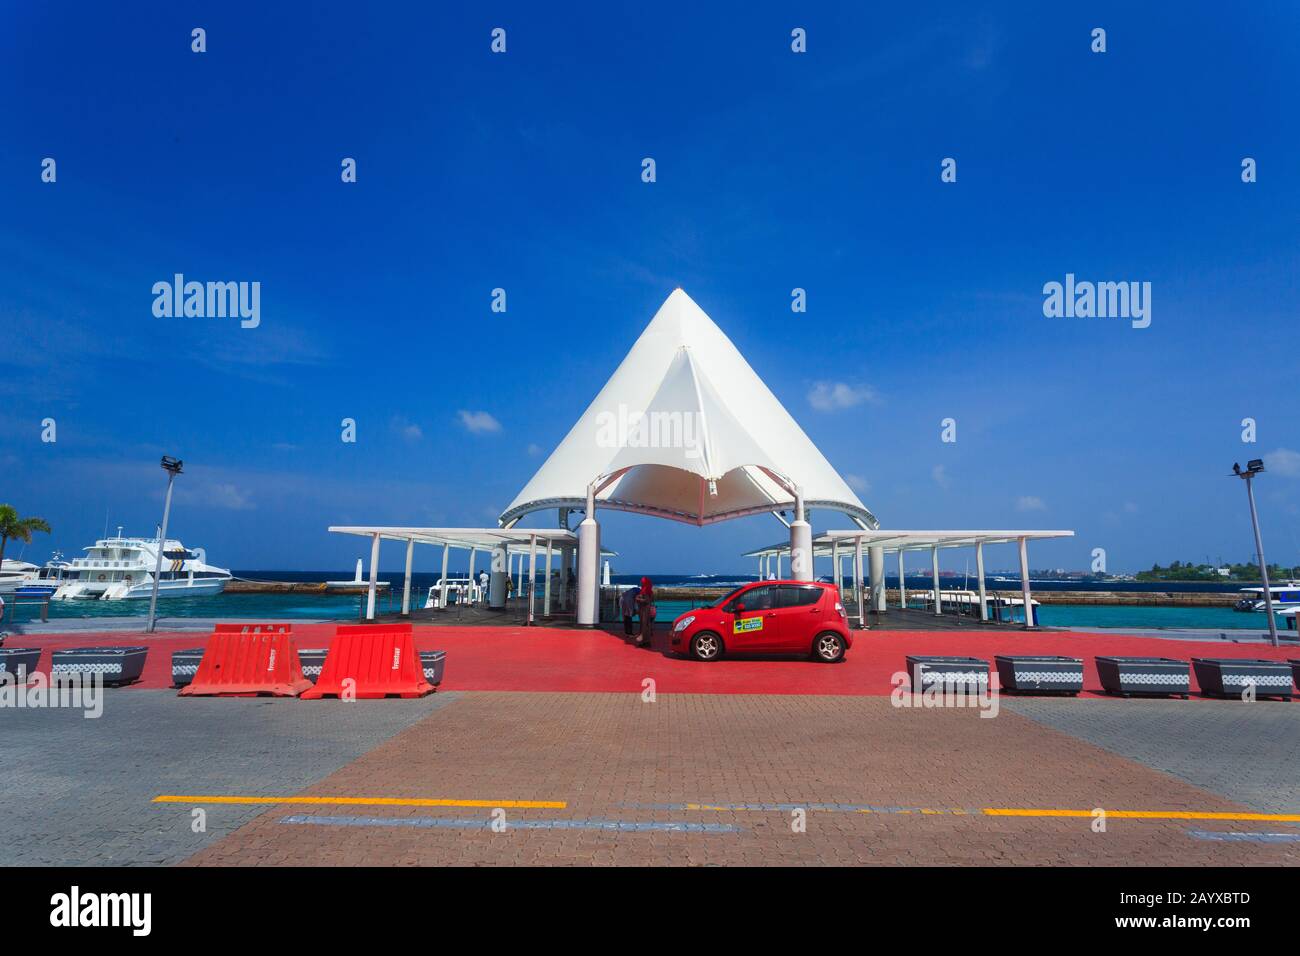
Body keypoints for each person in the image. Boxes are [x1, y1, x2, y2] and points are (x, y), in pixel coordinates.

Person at [635, 576, 656, 647]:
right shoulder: (649, 591)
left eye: (642, 582)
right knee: (646, 625)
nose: (641, 583)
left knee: (644, 625)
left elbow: (647, 601)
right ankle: (646, 641)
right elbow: (651, 600)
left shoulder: (645, 591)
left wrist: (638, 599)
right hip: (644, 610)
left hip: (645, 611)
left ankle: (644, 641)